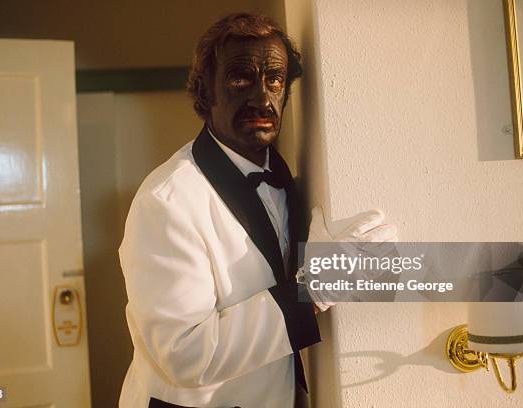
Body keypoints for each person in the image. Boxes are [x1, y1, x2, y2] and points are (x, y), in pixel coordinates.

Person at [118, 13, 396, 407]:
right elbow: (182, 355)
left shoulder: (289, 179)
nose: (262, 99)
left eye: (274, 80)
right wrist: (312, 290)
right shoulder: (165, 201)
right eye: (240, 79)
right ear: (205, 92)